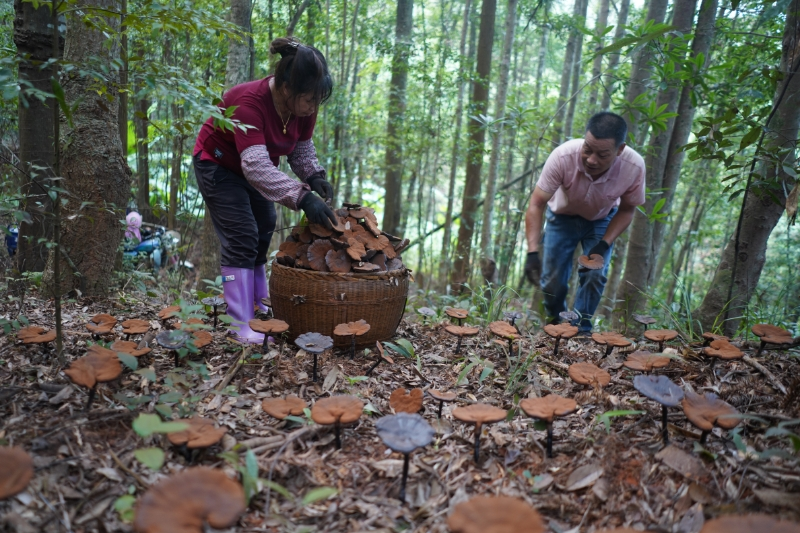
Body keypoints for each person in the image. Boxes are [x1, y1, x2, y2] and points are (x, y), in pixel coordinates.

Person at [193, 37, 337, 343]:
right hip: (218, 163)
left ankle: (259, 304)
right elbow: (256, 167)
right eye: (309, 99)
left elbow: (300, 147)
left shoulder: (302, 108)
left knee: (264, 226)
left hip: (254, 167)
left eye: (316, 100)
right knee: (241, 234)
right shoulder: (248, 103)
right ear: (286, 88)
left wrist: (313, 175)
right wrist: (302, 196)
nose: (313, 107)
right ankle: (239, 324)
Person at [524, 112, 645, 332]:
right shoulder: (562, 156)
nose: (591, 159)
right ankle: (555, 323)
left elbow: (627, 210)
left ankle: (581, 329)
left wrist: (604, 243)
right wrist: (532, 252)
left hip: (601, 219)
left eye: (602, 154)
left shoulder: (634, 167)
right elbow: (536, 203)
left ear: (619, 150)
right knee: (552, 280)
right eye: (587, 149)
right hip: (561, 218)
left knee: (595, 274)